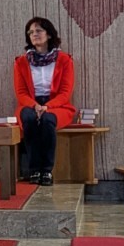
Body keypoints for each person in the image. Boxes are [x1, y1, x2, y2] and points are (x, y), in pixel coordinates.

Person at [14, 17, 76, 186]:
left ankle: (47, 170)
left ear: (49, 34)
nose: (34, 34)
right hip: (30, 103)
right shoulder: (21, 62)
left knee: (48, 120)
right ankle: (34, 170)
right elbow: (21, 92)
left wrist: (48, 106)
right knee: (28, 118)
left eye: (39, 30)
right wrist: (35, 106)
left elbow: (65, 92)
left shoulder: (64, 60)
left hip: (57, 105)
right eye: (31, 32)